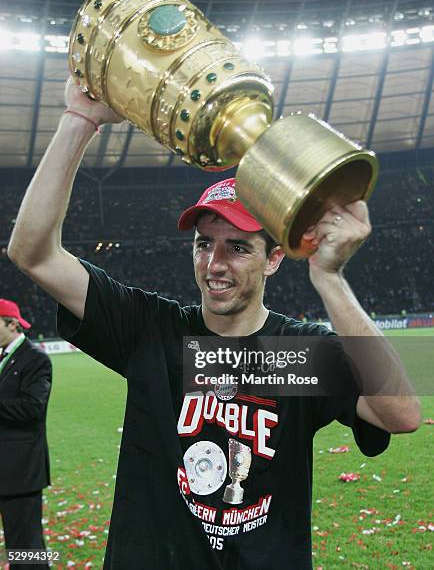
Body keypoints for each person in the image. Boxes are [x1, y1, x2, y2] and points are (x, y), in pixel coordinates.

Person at [7, 80, 421, 569]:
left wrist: (329, 277)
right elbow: (31, 252)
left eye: (239, 246)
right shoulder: (153, 330)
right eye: (205, 243)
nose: (215, 263)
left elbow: (401, 414)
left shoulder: (298, 354)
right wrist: (80, 119)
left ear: (273, 260)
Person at [0, 299, 51, 569]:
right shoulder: (4, 356)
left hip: (21, 470)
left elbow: (33, 407)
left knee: (26, 545)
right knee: (17, 543)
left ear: (12, 324)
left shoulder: (36, 358)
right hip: (6, 466)